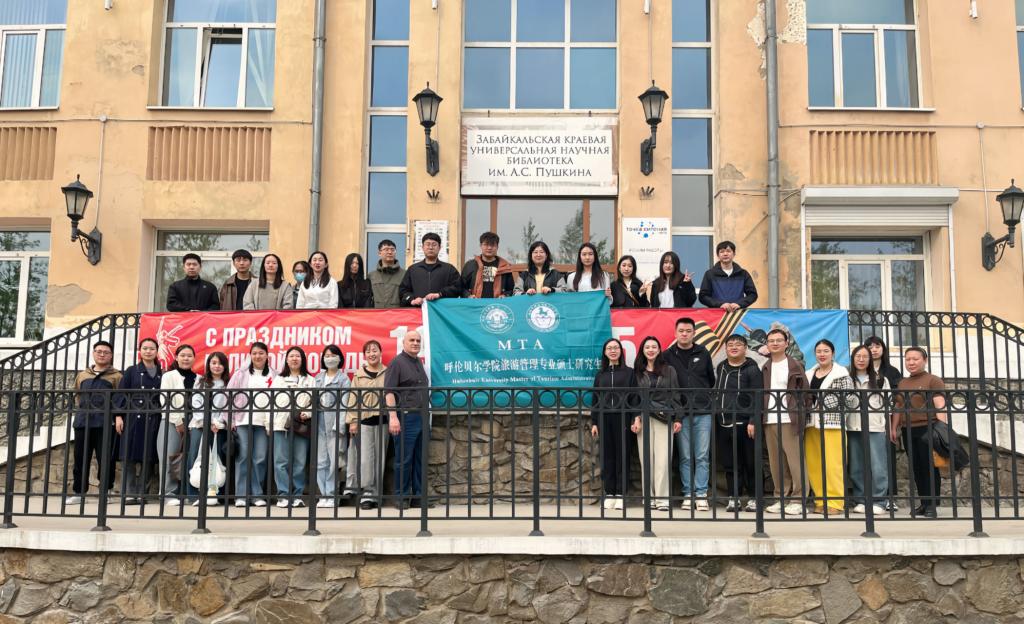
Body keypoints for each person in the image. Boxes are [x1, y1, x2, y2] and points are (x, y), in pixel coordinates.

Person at [756, 328, 810, 515]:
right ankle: (780, 497)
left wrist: (801, 414)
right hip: (770, 418)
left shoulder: (795, 365)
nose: (775, 343)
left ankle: (798, 499)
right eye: (771, 340)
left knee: (795, 461)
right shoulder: (765, 366)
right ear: (767, 344)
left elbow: (805, 392)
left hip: (790, 419)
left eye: (779, 340)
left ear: (786, 343)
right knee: (776, 462)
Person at [663, 317, 715, 511]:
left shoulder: (703, 352)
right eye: (681, 331)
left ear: (694, 333)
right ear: (675, 333)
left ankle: (701, 494)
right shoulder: (667, 355)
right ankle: (687, 494)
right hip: (680, 414)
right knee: (685, 456)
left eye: (688, 331)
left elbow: (711, 380)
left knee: (702, 456)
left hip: (703, 411)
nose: (684, 334)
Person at [892, 347, 946, 518]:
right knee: (916, 467)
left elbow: (940, 405)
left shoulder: (933, 380)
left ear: (925, 360)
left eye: (915, 359)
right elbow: (898, 406)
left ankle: (932, 505)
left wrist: (942, 430)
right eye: (908, 359)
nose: (911, 362)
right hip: (908, 429)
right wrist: (893, 427)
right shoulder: (903, 383)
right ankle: (924, 502)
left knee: (929, 467)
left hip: (928, 428)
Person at [68, 341, 123, 505]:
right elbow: (78, 395)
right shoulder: (83, 375)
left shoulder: (116, 376)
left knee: (105, 458)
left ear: (111, 355)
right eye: (99, 351)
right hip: (83, 422)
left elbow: (120, 399)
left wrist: (117, 416)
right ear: (93, 353)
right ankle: (79, 492)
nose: (102, 354)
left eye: (106, 352)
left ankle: (106, 490)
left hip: (105, 423)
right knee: (80, 458)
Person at [631, 336, 682, 512]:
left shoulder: (669, 370)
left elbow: (675, 394)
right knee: (646, 459)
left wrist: (678, 418)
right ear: (643, 350)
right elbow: (634, 398)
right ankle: (649, 498)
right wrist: (636, 418)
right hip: (643, 417)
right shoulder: (637, 371)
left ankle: (662, 499)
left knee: (663, 460)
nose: (651, 350)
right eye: (647, 347)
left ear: (659, 350)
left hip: (664, 417)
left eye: (654, 347)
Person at [714, 334, 763, 512]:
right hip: (724, 423)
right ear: (726, 348)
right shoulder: (721, 366)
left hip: (745, 424)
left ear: (745, 348)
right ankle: (733, 499)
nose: (734, 347)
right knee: (730, 464)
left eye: (738, 344)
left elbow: (757, 396)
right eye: (730, 345)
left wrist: (753, 421)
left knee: (750, 463)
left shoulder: (752, 369)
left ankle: (754, 499)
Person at [805, 339, 853, 514]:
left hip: (832, 423)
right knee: (814, 464)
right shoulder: (809, 374)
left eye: (826, 351)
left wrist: (820, 404)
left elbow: (848, 398)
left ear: (833, 353)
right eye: (819, 351)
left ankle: (835, 502)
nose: (822, 354)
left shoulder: (842, 374)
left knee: (833, 465)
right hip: (811, 424)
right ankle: (820, 500)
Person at [114, 338, 163, 505]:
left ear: (157, 351)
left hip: (153, 418)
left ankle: (143, 493)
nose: (148, 351)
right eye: (145, 348)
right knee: (128, 456)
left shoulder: (162, 372)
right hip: (133, 417)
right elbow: (121, 393)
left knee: (148, 457)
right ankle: (129, 493)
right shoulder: (131, 371)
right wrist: (118, 416)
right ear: (140, 351)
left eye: (152, 348)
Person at [228, 342, 277, 507]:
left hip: (263, 423)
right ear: (250, 355)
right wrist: (231, 420)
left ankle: (257, 495)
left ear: (267, 355)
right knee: (243, 457)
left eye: (261, 353)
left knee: (260, 458)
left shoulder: (274, 375)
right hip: (243, 421)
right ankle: (241, 496)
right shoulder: (241, 374)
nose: (258, 356)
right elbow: (229, 396)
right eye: (254, 353)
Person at [385, 331, 430, 508]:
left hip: (421, 416)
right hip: (405, 417)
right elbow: (389, 392)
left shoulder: (418, 362)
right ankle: (401, 497)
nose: (415, 343)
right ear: (403, 343)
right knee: (404, 459)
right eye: (411, 340)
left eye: (418, 340)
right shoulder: (397, 363)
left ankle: (418, 497)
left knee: (419, 459)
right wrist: (393, 417)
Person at [590, 338, 636, 511]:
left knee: (622, 455)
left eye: (616, 347)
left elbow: (635, 397)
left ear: (620, 351)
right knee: (607, 456)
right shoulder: (600, 374)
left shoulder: (629, 373)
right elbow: (595, 399)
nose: (613, 350)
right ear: (605, 352)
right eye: (609, 348)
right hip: (604, 419)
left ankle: (621, 493)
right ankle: (610, 492)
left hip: (623, 418)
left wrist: (635, 418)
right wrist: (595, 421)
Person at [270, 347, 315, 508]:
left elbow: (315, 401)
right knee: (281, 461)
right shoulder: (279, 379)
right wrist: (269, 424)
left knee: (300, 462)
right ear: (287, 360)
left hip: (301, 425)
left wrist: (307, 413)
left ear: (302, 359)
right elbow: (270, 402)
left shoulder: (310, 380)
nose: (294, 359)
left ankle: (297, 495)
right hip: (281, 425)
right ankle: (283, 495)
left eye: (297, 356)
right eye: (291, 356)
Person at [848, 345, 890, 515]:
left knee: (878, 466)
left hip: (875, 427)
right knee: (856, 466)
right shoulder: (847, 379)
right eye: (857, 356)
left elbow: (888, 404)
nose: (861, 359)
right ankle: (861, 499)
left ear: (870, 359)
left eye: (865, 356)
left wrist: (886, 425)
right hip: (852, 427)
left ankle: (880, 501)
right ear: (852, 359)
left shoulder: (880, 380)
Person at [347, 340, 389, 509]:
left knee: (380, 459)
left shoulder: (388, 372)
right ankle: (367, 494)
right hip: (364, 421)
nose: (372, 354)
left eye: (375, 350)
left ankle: (376, 495)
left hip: (382, 421)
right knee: (365, 459)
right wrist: (353, 420)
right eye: (368, 351)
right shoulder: (358, 375)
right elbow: (353, 398)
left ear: (380, 352)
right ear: (364, 355)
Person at [863, 335, 903, 511]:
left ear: (883, 349)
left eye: (877, 346)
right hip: (863, 421)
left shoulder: (892, 372)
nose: (873, 349)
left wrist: (893, 426)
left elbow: (898, 401)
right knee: (865, 459)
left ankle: (888, 497)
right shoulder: (860, 369)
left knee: (886, 459)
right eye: (870, 346)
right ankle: (867, 497)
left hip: (885, 420)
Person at [186, 352, 231, 506]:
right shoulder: (200, 381)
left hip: (219, 427)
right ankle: (194, 495)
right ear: (208, 365)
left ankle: (215, 494)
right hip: (200, 425)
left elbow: (230, 405)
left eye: (220, 363)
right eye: (214, 363)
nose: (217, 366)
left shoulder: (228, 383)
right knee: (196, 458)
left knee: (218, 460)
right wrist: (208, 421)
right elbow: (196, 402)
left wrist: (219, 422)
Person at [313, 345, 353, 507]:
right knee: (320, 461)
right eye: (327, 355)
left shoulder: (344, 379)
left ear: (339, 358)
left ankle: (332, 495)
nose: (330, 358)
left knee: (334, 461)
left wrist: (340, 426)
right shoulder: (318, 378)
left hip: (335, 424)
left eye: (333, 355)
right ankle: (323, 495)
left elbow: (344, 404)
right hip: (320, 423)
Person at [159, 344, 197, 505]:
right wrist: (177, 421)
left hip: (193, 422)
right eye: (183, 355)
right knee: (170, 456)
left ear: (194, 358)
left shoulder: (198, 378)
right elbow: (165, 399)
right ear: (176, 357)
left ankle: (185, 492)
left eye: (189, 356)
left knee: (188, 457)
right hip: (171, 420)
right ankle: (168, 493)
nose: (186, 358)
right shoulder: (169, 376)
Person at [400, 233, 461, 306]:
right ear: (423, 247)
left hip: (441, 310)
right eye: (428, 244)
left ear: (439, 247)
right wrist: (412, 300)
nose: (431, 247)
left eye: (434, 245)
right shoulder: (413, 269)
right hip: (417, 310)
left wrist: (440, 294)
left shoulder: (449, 269)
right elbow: (403, 290)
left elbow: (458, 287)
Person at [698, 241, 758, 310]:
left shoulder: (743, 274)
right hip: (716, 313)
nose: (725, 254)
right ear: (718, 255)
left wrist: (740, 304)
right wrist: (720, 304)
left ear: (734, 254)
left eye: (728, 251)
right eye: (722, 252)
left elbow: (752, 294)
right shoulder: (710, 274)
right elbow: (703, 296)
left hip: (737, 314)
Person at [461, 231, 515, 298]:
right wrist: (468, 296)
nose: (489, 248)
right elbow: (462, 287)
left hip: (497, 304)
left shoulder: (505, 266)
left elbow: (510, 289)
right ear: (480, 246)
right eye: (486, 244)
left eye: (492, 245)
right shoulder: (470, 265)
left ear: (497, 247)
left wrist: (505, 295)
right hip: (475, 303)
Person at [369, 239, 406, 308]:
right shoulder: (371, 275)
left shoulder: (404, 274)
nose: (390, 252)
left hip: (397, 313)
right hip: (377, 313)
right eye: (386, 249)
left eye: (392, 250)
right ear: (379, 253)